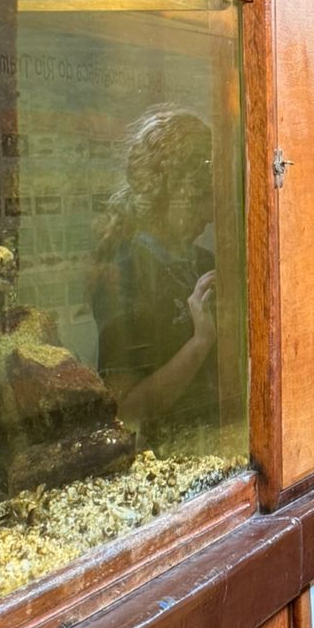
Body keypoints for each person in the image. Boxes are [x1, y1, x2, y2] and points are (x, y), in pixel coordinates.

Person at [90, 106, 219, 450]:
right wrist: (200, 342)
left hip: (218, 444)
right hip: (164, 456)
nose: (210, 213)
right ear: (167, 193)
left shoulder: (204, 262)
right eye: (199, 197)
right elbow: (126, 412)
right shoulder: (122, 275)